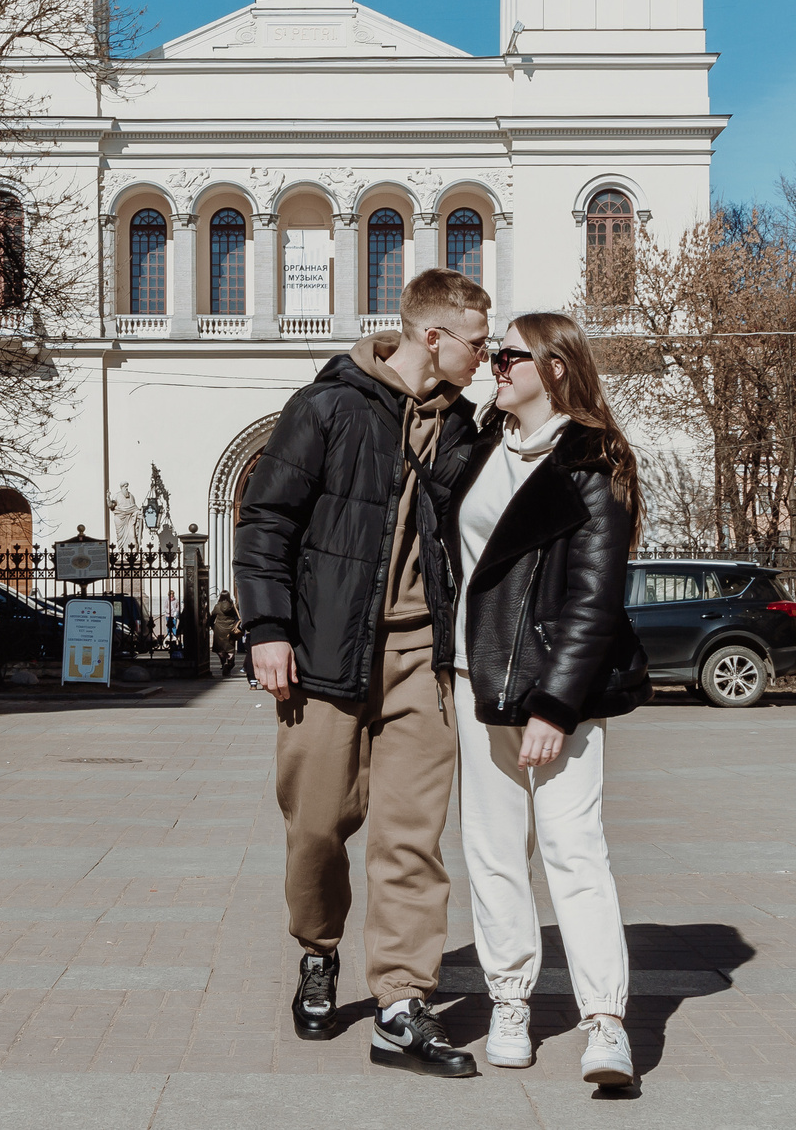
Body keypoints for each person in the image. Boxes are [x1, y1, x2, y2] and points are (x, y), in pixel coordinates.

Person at [235, 267, 492, 1080]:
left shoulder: (464, 429)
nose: (485, 357)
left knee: (410, 836)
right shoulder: (327, 407)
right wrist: (267, 628)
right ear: (432, 337)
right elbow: (266, 519)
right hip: (324, 655)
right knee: (316, 828)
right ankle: (318, 950)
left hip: (422, 658)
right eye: (477, 342)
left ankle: (402, 1003)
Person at [444, 312, 648, 1088]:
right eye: (494, 354)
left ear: (555, 366)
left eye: (509, 355)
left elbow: (595, 596)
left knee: (573, 847)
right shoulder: (480, 446)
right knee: (492, 849)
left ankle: (605, 1020)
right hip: (473, 677)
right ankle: (509, 1000)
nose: (495, 366)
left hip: (552, 688)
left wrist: (556, 704)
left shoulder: (594, 458)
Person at [210, 591, 241, 677]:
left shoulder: (217, 606)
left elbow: (212, 617)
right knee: (230, 648)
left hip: (219, 630)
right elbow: (238, 616)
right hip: (230, 630)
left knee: (220, 649)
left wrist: (212, 626)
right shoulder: (233, 606)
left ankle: (223, 663)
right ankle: (230, 663)